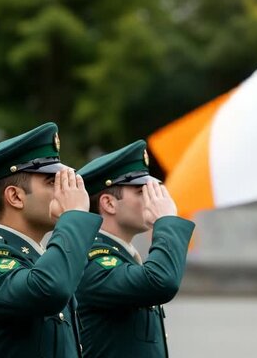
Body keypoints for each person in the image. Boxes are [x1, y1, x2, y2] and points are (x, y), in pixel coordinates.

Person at [0, 122, 103, 358]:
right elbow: (50, 289)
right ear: (15, 196)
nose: (63, 190)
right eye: (51, 182)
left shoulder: (39, 260)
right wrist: (73, 216)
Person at [75, 139, 196, 358]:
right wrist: (166, 220)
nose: (153, 199)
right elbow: (161, 281)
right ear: (109, 204)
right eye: (141, 192)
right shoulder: (92, 261)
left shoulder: (122, 257)